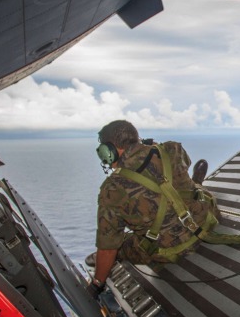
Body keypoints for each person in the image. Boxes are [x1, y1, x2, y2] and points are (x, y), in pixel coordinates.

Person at [87, 120, 217, 297]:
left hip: (171, 247)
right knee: (195, 190)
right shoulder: (171, 149)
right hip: (204, 219)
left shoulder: (111, 190)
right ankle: (197, 183)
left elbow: (108, 248)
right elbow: (185, 162)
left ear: (109, 151)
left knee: (121, 244)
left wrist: (97, 284)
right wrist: (155, 149)